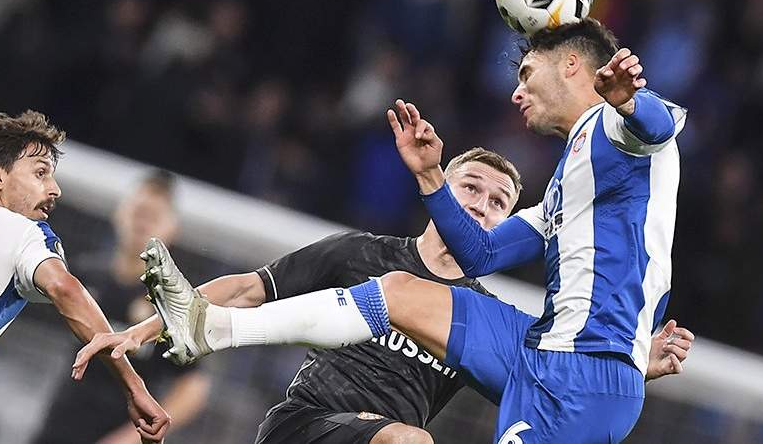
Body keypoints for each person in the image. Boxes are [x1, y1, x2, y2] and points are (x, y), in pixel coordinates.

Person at [74, 154, 692, 442]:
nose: (481, 204)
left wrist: (636, 363)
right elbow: (247, 288)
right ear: (442, 190)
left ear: (506, 223)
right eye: (470, 187)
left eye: (498, 201)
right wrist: (145, 328)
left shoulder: (478, 319)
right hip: (304, 427)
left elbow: (553, 377)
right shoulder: (362, 254)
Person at [0, 111, 170, 443]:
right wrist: (134, 387)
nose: (54, 189)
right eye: (40, 173)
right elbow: (64, 289)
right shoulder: (24, 232)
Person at [32, 170, 210, 444]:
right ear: (120, 213)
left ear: (172, 230)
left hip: (121, 430)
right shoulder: (83, 276)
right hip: (60, 426)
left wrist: (129, 438)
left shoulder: (173, 303)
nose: (142, 222)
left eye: (154, 217)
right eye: (139, 211)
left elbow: (194, 386)